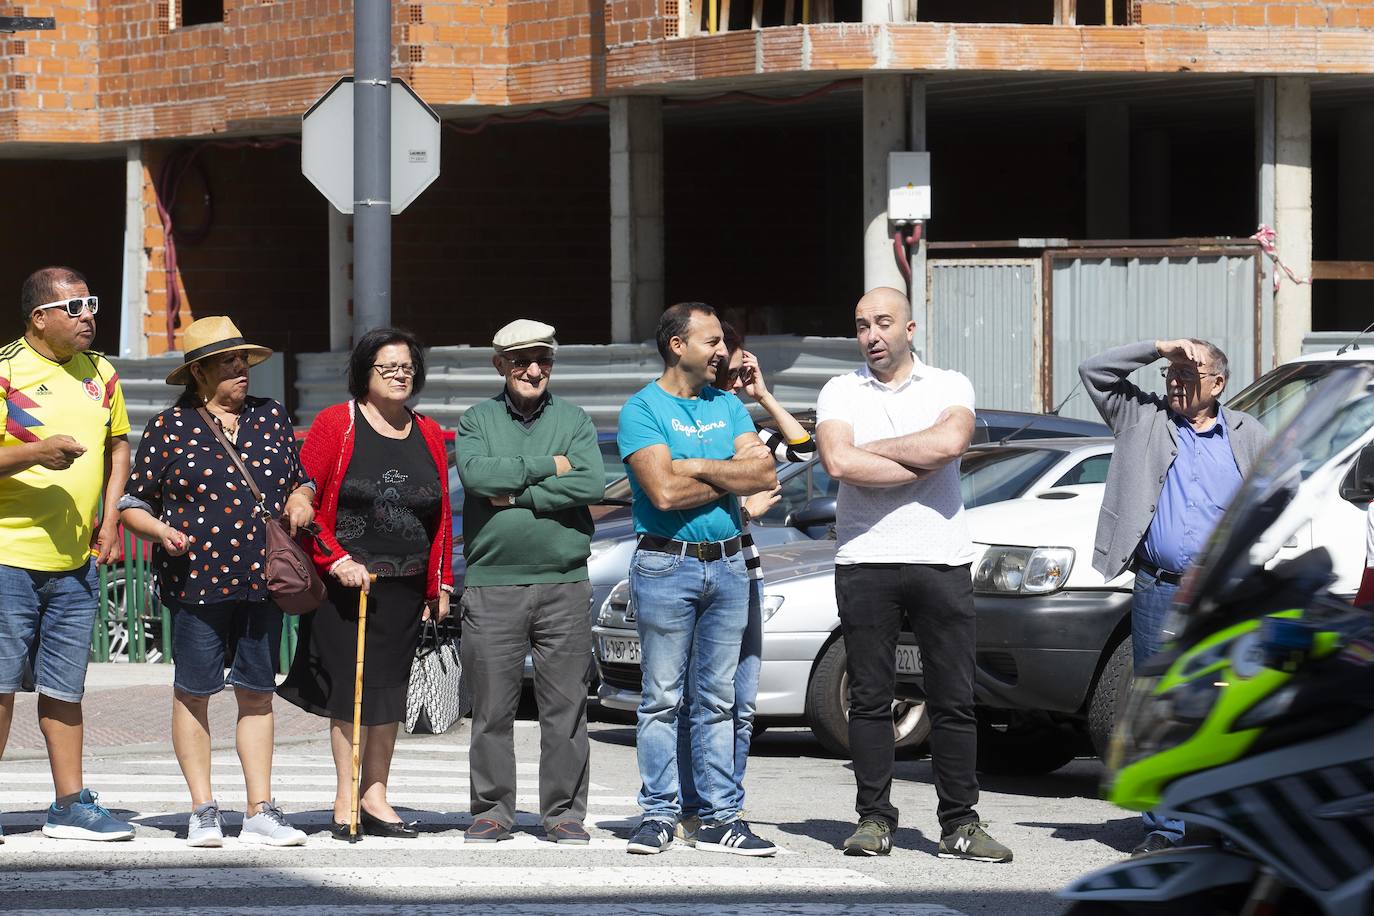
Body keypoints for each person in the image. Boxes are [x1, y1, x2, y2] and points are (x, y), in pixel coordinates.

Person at [816, 286, 1011, 862]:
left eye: (882, 322)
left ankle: (960, 823)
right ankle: (874, 819)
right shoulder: (839, 389)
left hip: (940, 557)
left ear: (909, 328)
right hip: (864, 559)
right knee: (870, 699)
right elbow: (838, 460)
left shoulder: (949, 384)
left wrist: (874, 450)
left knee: (953, 698)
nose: (871, 335)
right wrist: (914, 461)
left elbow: (950, 442)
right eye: (861, 326)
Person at [119, 316, 316, 848]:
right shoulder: (169, 426)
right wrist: (161, 531)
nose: (241, 369)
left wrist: (301, 497)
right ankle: (203, 809)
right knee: (194, 693)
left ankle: (260, 809)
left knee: (257, 693)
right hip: (196, 582)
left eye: (243, 360)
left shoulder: (270, 416)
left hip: (262, 579)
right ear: (199, 373)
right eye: (228, 363)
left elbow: (299, 478)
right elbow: (133, 503)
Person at [1079, 336, 1267, 856]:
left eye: (1189, 373)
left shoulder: (1248, 434)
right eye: (1171, 373)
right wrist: (1160, 348)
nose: (1176, 382)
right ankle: (1165, 829)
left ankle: (1225, 824)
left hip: (1225, 595)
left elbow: (1282, 492)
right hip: (1160, 589)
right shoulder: (1143, 418)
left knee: (1224, 706)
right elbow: (1094, 371)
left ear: (1218, 384)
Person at [278, 328, 453, 840]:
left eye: (407, 367)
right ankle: (345, 795)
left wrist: (439, 585)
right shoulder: (339, 422)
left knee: (388, 693)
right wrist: (335, 559)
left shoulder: (428, 431)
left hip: (405, 587)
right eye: (388, 367)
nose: (400, 375)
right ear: (365, 372)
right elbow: (305, 495)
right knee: (350, 691)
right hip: (347, 585)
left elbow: (440, 515)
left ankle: (375, 795)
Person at [618, 301, 778, 856]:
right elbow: (663, 493)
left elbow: (764, 470)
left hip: (730, 565)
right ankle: (659, 815)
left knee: (718, 701)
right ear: (677, 346)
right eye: (712, 341)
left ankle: (720, 819)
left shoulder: (728, 404)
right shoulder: (642, 409)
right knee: (661, 699)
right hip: (667, 564)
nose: (722, 351)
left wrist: (693, 466)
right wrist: (730, 476)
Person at [455, 319, 604, 845]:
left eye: (543, 360)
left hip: (565, 583)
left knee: (565, 709)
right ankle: (492, 811)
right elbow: (477, 476)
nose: (534, 370)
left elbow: (591, 481)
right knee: (491, 709)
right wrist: (551, 466)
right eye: (521, 361)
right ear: (500, 365)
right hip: (492, 585)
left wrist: (521, 493)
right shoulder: (476, 419)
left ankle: (563, 814)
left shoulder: (575, 419)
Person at [0, 267, 134, 843]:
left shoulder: (101, 372)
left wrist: (111, 516)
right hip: (8, 558)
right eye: (75, 307)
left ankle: (70, 805)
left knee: (65, 688)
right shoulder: (6, 371)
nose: (89, 317)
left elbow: (119, 445)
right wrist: (35, 452)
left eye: (92, 304)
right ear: (39, 318)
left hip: (75, 563)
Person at [675, 323, 813, 846]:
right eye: (728, 373)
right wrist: (745, 507)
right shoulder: (694, 424)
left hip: (745, 573)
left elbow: (803, 450)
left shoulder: (745, 429)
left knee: (741, 703)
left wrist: (762, 394)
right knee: (696, 698)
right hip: (703, 567)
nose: (733, 381)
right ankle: (694, 805)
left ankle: (726, 805)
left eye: (739, 373)